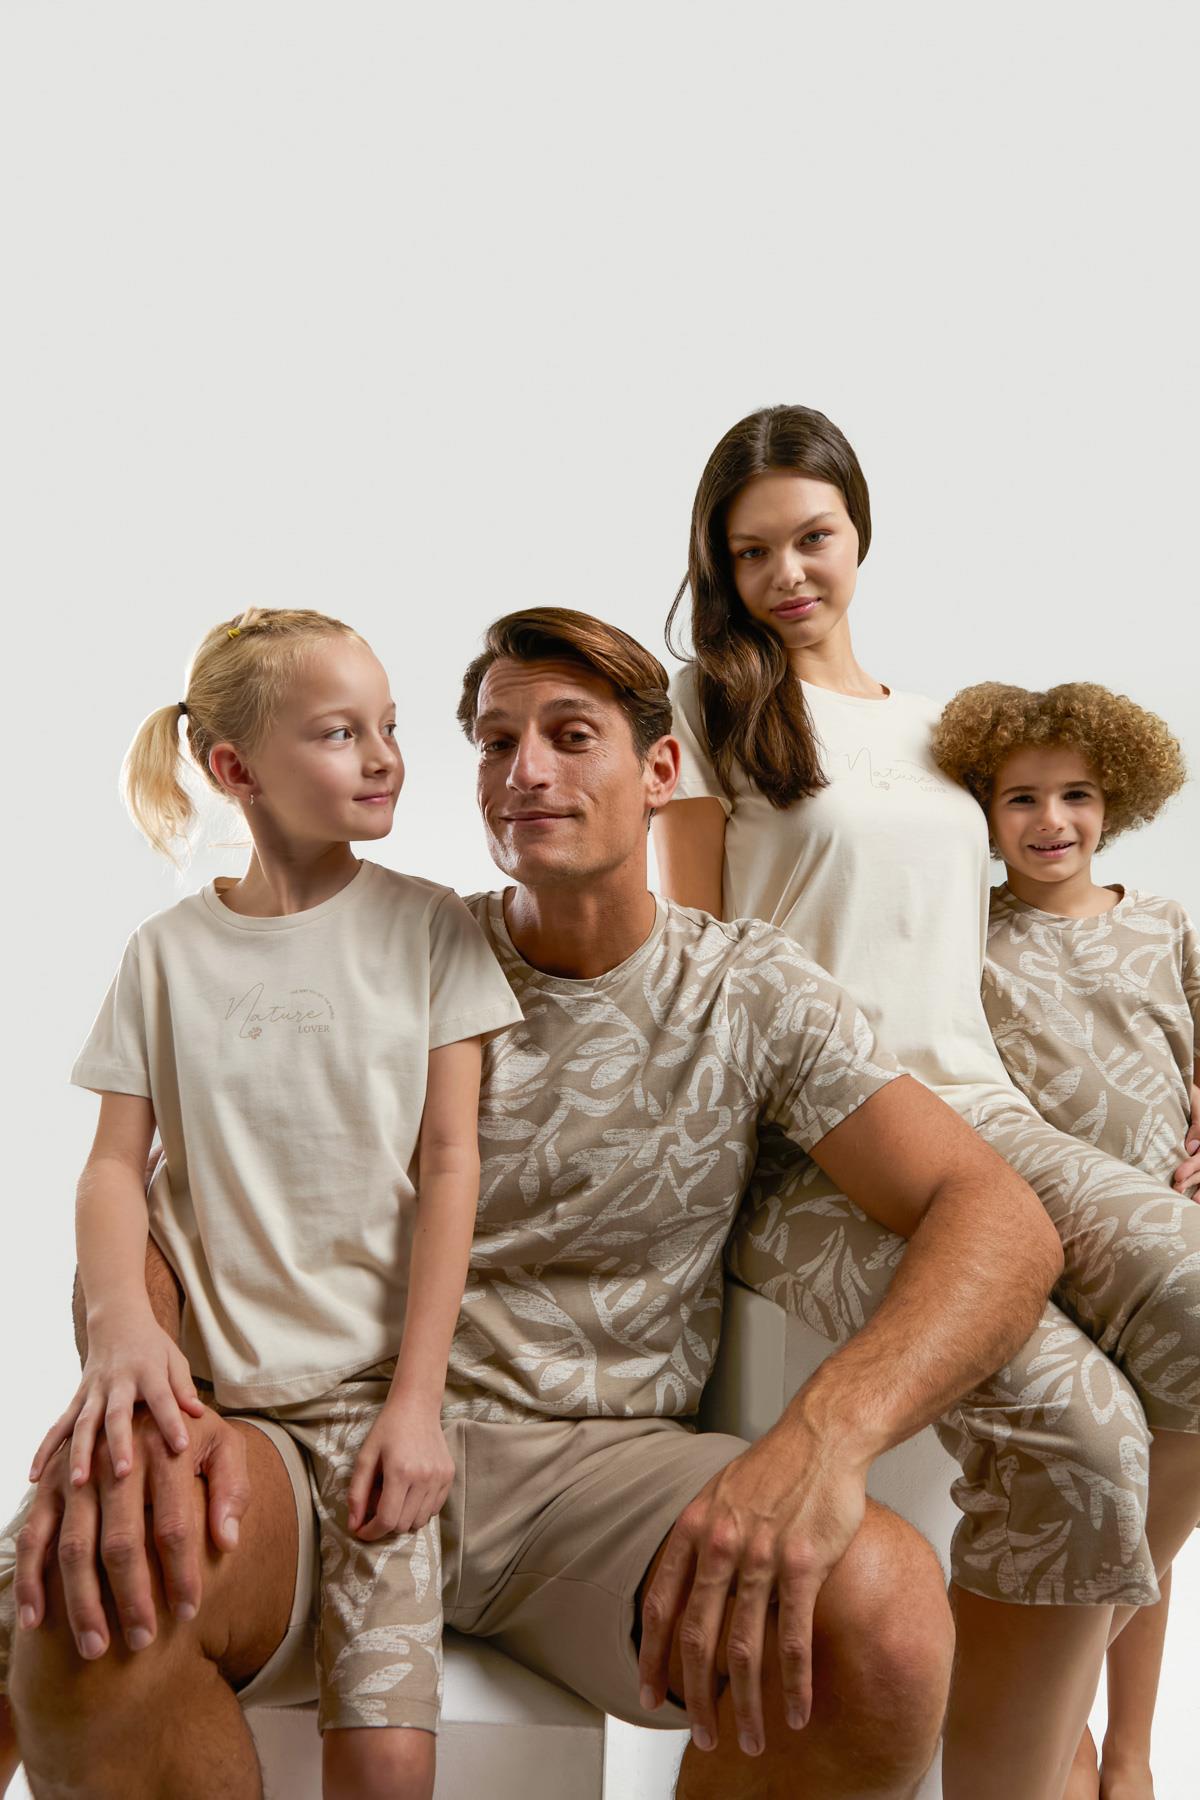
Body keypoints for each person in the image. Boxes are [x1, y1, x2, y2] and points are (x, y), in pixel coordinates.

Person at [0, 608, 1067, 1800]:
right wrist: (150, 1391)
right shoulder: (388, 948)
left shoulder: (749, 993)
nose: (525, 773)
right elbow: (160, 1194)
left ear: (662, 771)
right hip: (315, 1450)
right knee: (100, 1587)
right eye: (497, 742)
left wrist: (826, 1440)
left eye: (570, 736)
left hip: (593, 1480)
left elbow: (995, 1216)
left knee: (884, 1618)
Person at [652, 405, 1200, 1800]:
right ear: (720, 565)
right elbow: (694, 952)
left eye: (813, 537)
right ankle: (1023, 1758)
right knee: (1084, 1436)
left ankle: (1045, 1688)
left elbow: (1038, 914)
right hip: (813, 1142)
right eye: (752, 551)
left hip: (982, 1113)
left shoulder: (944, 729)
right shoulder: (712, 709)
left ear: (861, 531)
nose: (788, 574)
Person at [13, 606, 525, 1800]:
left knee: (387, 1756)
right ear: (234, 769)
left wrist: (417, 1404)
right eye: (342, 734)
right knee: (40, 1610)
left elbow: (453, 1168)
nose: (385, 757)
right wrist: (123, 1331)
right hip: (202, 1408)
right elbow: (111, 1168)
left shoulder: (432, 930)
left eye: (390, 727)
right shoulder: (165, 955)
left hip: (368, 1415)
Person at [933, 678, 1199, 1800]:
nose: (1052, 821)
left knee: (1149, 1534)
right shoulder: (973, 940)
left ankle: (1129, 1751)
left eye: (1077, 795)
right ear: (982, 813)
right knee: (1109, 1498)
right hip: (1062, 1246)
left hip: (1166, 1230)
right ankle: (1060, 1727)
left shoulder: (1162, 924)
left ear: (1116, 799)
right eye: (1021, 798)